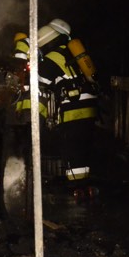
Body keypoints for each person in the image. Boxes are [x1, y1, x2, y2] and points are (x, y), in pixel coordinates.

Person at [12, 19, 98, 179]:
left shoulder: (54, 57)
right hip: (88, 108)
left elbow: (38, 80)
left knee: (72, 152)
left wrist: (23, 60)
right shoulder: (69, 54)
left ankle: (76, 186)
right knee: (82, 152)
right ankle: (84, 184)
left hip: (74, 111)